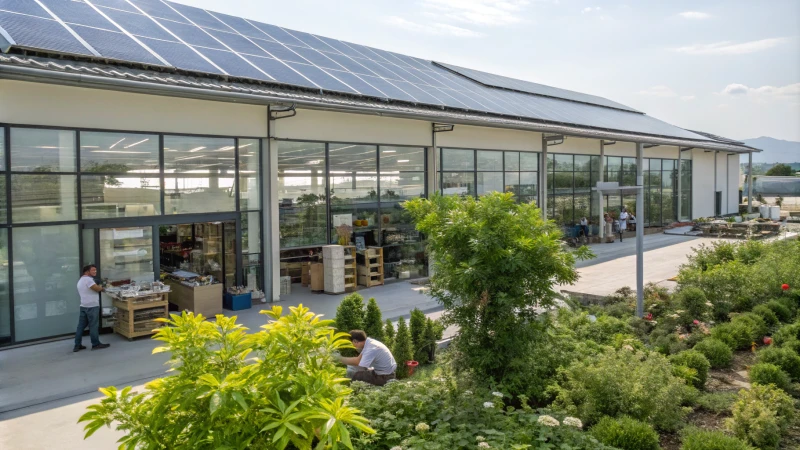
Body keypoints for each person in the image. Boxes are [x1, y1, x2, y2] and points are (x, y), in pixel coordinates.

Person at [74, 264, 110, 352]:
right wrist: (103, 288)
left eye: (95, 270)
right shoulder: (88, 280)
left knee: (80, 327)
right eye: (93, 270)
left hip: (83, 305)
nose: (95, 272)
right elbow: (96, 288)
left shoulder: (81, 280)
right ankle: (96, 344)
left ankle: (77, 345)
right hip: (92, 306)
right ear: (87, 271)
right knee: (93, 326)